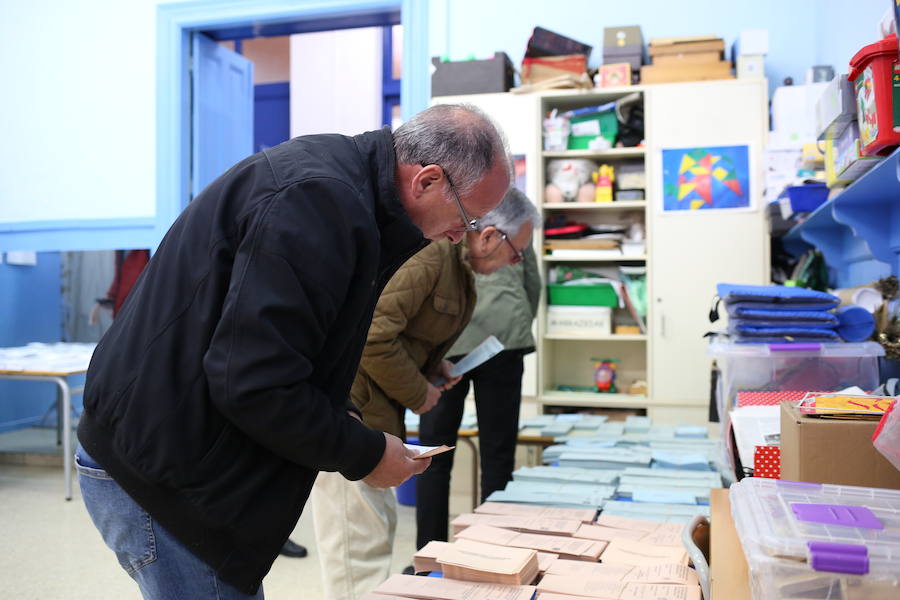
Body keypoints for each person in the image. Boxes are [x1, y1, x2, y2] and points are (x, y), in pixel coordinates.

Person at [75, 104, 511, 600]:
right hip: (163, 470)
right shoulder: (319, 203)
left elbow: (299, 349)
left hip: (182, 453)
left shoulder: (350, 196)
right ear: (427, 181)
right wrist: (364, 454)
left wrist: (344, 417)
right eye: (467, 216)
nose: (461, 234)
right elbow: (254, 382)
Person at [310, 188, 538, 600]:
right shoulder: (433, 255)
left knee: (374, 538)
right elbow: (373, 337)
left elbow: (404, 333)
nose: (515, 264)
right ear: (489, 236)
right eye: (516, 254)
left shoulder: (460, 269)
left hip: (375, 416)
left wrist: (433, 367)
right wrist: (420, 391)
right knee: (357, 555)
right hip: (352, 414)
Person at [416, 187, 541, 550]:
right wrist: (516, 326)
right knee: (498, 455)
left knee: (433, 456)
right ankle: (491, 553)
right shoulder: (516, 216)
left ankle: (429, 553)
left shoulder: (458, 210)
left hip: (447, 341)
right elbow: (532, 282)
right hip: (503, 340)